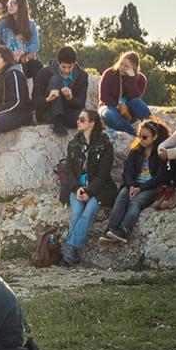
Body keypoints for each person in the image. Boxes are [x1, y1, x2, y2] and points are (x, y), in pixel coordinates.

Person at [58, 109, 116, 266]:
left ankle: (69, 248)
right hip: (76, 187)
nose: (78, 121)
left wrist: (89, 192)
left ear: (92, 123)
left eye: (82, 119)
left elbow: (103, 175)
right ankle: (72, 253)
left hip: (99, 189)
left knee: (89, 210)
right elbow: (69, 171)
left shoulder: (105, 145)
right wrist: (77, 188)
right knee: (76, 212)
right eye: (78, 119)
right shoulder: (74, 144)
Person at [103, 119, 172, 246]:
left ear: (155, 137)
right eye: (139, 136)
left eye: (145, 137)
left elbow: (160, 177)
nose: (141, 139)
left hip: (151, 187)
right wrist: (131, 186)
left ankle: (123, 231)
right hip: (134, 185)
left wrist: (140, 188)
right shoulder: (135, 151)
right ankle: (110, 230)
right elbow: (127, 171)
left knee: (136, 202)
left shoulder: (160, 154)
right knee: (122, 197)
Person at [36, 46, 87, 133]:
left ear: (74, 64)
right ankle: (58, 121)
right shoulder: (44, 73)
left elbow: (81, 102)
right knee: (56, 80)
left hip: (68, 111)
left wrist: (70, 98)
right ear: (58, 63)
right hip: (49, 110)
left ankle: (60, 120)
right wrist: (48, 99)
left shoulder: (82, 76)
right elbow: (36, 99)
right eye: (63, 67)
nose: (66, 70)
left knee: (87, 121)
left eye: (70, 67)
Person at [99, 51, 151, 136]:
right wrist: (118, 106)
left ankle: (153, 129)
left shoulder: (141, 79)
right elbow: (103, 97)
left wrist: (131, 77)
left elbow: (135, 97)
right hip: (110, 108)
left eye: (126, 66)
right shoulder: (109, 73)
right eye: (121, 64)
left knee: (138, 102)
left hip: (128, 113)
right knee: (109, 114)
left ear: (133, 68)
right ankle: (134, 133)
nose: (122, 67)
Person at [0, 0, 43, 84]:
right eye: (10, 2)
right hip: (7, 60)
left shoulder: (30, 24)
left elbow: (35, 45)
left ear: (21, 6)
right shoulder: (1, 24)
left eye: (14, 3)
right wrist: (9, 53)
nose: (10, 5)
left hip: (23, 58)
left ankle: (37, 95)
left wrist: (23, 52)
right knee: (16, 68)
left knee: (37, 65)